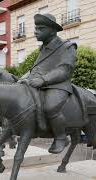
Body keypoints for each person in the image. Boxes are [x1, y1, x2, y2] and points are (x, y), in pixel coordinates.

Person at [18, 13, 77, 154]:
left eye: (40, 28)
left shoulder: (68, 47)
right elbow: (35, 69)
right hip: (40, 84)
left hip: (58, 85)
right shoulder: (43, 49)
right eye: (36, 28)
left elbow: (65, 70)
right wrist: (21, 79)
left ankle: (61, 137)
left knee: (51, 107)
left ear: (52, 30)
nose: (35, 32)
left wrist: (43, 80)